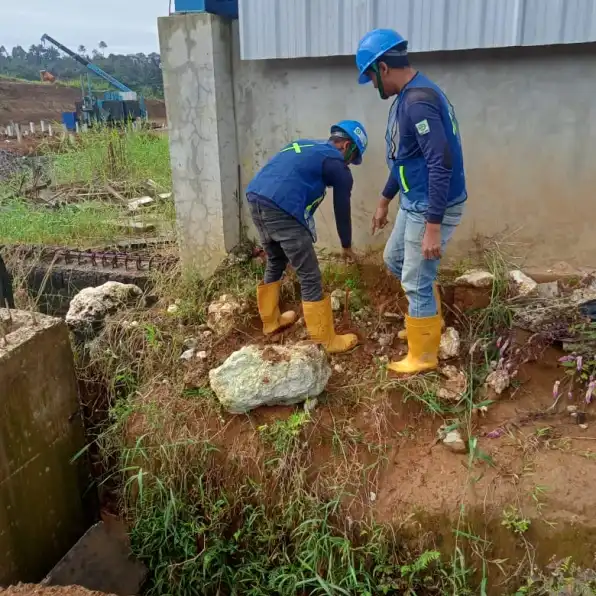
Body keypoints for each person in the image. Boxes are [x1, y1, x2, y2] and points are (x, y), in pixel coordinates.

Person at [356, 29, 467, 375]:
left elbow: (439, 162)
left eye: (372, 78)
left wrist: (433, 227)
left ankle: (423, 356)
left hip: (430, 206)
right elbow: (406, 158)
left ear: (383, 68)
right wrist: (384, 200)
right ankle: (427, 316)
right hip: (413, 200)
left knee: (416, 280)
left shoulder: (417, 101)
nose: (374, 86)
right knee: (395, 259)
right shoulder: (409, 95)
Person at [246, 121, 368, 353]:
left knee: (276, 260)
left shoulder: (304, 145)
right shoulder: (336, 163)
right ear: (345, 145)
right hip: (283, 207)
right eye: (353, 156)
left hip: (256, 199)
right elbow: (342, 208)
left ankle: (270, 323)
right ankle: (325, 340)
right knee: (310, 274)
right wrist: (346, 246)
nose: (350, 163)